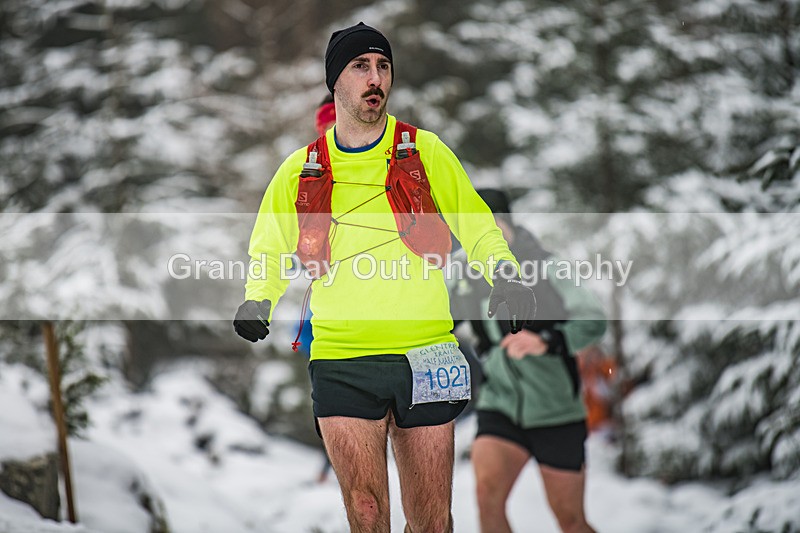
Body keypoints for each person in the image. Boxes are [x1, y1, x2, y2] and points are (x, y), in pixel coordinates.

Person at [233, 23, 535, 533]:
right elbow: (269, 246)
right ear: (336, 82)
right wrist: (257, 298)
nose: (375, 78)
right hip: (341, 358)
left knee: (432, 522)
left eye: (383, 66)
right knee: (368, 516)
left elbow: (477, 224)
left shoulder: (424, 152)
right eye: (360, 66)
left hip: (427, 352)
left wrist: (504, 274)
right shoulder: (301, 169)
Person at [457, 189, 606, 533]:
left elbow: (593, 319)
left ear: (504, 221)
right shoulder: (467, 272)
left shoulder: (547, 265)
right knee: (486, 497)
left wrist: (546, 341)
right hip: (500, 404)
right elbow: (436, 314)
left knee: (569, 518)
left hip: (555, 411)